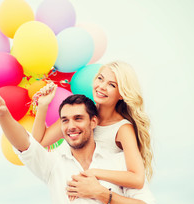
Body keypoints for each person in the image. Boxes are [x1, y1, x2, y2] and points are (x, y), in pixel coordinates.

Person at [0, 92, 157, 204]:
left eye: (78, 118)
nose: (71, 126)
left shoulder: (119, 163)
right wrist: (3, 114)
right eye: (65, 120)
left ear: (93, 122)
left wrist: (101, 193)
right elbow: (25, 144)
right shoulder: (53, 164)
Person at [32, 61, 153, 191]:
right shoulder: (81, 113)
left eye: (111, 85)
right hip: (75, 193)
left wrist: (93, 172)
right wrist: (43, 105)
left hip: (103, 199)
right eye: (100, 78)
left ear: (122, 94)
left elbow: (137, 179)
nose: (101, 86)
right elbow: (38, 142)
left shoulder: (122, 129)